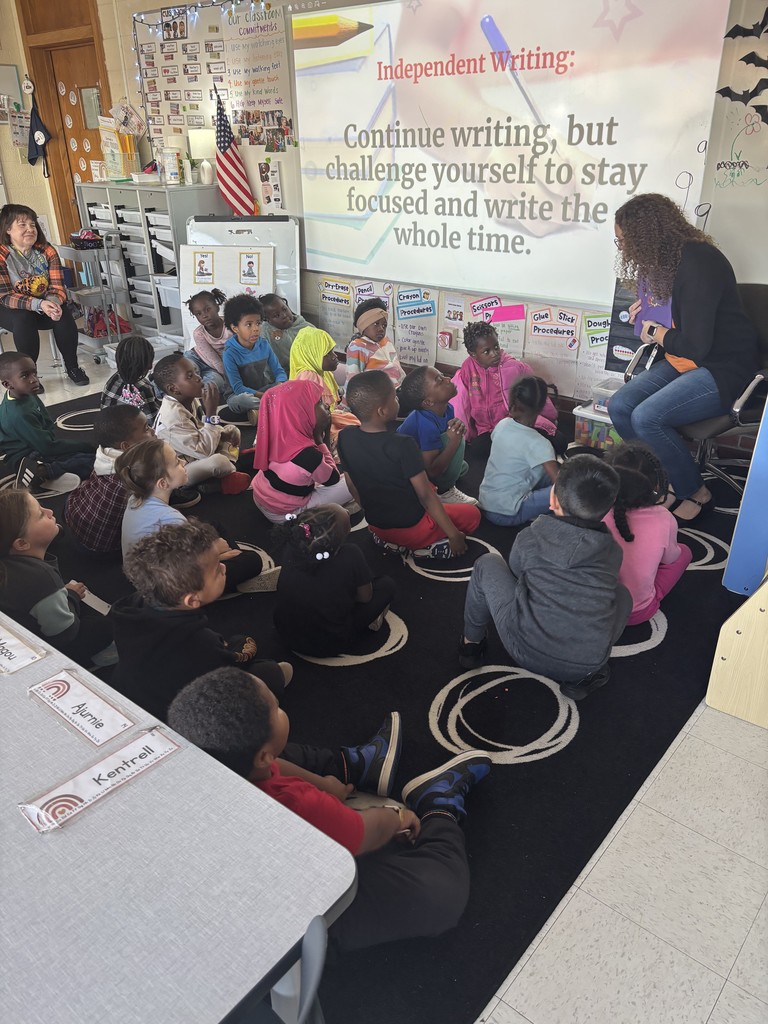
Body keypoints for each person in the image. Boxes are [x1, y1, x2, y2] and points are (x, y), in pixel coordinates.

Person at [167, 665, 492, 953]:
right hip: (306, 905)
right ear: (263, 758)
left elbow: (276, 763)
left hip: (242, 870)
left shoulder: (217, 769)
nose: (281, 710)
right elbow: (366, 832)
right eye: (277, 708)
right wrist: (399, 817)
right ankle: (438, 808)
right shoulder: (297, 805)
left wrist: (329, 784)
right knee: (440, 898)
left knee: (278, 753)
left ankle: (357, 766)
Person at [608, 193, 759, 522]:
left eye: (624, 242)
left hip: (723, 366)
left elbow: (695, 345)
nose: (624, 249)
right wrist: (647, 313)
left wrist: (655, 333)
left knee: (647, 417)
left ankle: (695, 491)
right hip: (684, 361)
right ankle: (664, 479)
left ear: (645, 235)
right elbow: (679, 318)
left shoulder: (700, 261)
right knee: (619, 406)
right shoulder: (666, 263)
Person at [459, 454, 632, 700]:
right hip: (588, 662)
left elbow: (517, 573)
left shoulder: (529, 537)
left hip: (523, 648)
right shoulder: (613, 551)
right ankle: (581, 681)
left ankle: (470, 647)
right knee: (622, 593)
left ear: (552, 499)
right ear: (609, 506)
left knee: (487, 563)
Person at [110, 521, 291, 721]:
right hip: (171, 713)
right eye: (216, 570)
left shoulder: (132, 605)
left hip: (130, 689)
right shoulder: (198, 642)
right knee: (270, 673)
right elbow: (224, 674)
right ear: (192, 599)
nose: (223, 567)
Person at [338, 371, 481, 559]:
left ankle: (389, 540)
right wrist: (454, 535)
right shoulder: (403, 444)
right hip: (413, 527)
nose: (398, 399)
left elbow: (351, 485)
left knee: (427, 486)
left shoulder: (344, 437)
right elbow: (426, 497)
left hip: (376, 524)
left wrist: (373, 512)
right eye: (393, 397)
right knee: (473, 516)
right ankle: (424, 547)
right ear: (382, 411)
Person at [0, 490, 116, 666]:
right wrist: (72, 597)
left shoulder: (11, 566)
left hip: (21, 630)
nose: (50, 512)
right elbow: (64, 633)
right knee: (106, 624)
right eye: (40, 515)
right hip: (47, 649)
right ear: (22, 544)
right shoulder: (42, 579)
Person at [271, 504, 396, 656]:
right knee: (386, 585)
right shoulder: (350, 553)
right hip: (330, 642)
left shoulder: (291, 546)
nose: (348, 511)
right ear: (345, 532)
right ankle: (370, 621)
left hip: (285, 633)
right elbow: (365, 597)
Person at [604, 442, 693, 625]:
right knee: (684, 552)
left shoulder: (595, 509)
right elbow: (670, 559)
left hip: (592, 608)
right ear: (656, 484)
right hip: (637, 613)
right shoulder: (664, 518)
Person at [0, 203, 89, 385]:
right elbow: (5, 296)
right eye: (22, 225)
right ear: (8, 229)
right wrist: (39, 304)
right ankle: (29, 375)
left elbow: (57, 287)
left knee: (62, 313)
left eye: (32, 225)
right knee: (24, 318)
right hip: (9, 309)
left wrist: (53, 303)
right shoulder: (2, 255)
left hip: (43, 306)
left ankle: (72, 367)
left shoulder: (47, 251)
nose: (30, 229)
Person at [251, 379, 355, 523]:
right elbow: (333, 478)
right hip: (285, 514)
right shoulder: (309, 456)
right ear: (301, 411)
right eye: (318, 402)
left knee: (308, 474)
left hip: (261, 498)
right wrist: (319, 439)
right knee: (353, 481)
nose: (325, 405)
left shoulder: (274, 434)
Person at [64, 405, 158, 557]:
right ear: (126, 446)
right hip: (101, 548)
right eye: (146, 429)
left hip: (75, 515)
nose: (153, 430)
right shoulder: (134, 475)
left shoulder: (106, 453)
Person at [451, 321, 561, 448]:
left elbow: (537, 394)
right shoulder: (467, 368)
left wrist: (551, 418)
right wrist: (466, 434)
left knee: (559, 442)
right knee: (477, 448)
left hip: (516, 424)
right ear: (473, 354)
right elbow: (462, 403)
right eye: (487, 351)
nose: (494, 353)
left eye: (496, 347)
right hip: (487, 430)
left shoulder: (514, 367)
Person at [152, 352, 250, 492]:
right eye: (190, 376)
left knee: (231, 430)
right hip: (177, 472)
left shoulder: (189, 399)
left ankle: (226, 471)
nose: (198, 378)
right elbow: (204, 451)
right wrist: (211, 412)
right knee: (218, 462)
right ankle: (223, 476)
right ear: (173, 388)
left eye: (195, 372)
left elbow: (202, 430)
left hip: (195, 454)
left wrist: (222, 433)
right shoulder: (172, 418)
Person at [0, 351, 95, 487]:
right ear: (8, 385)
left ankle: (52, 472)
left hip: (39, 445)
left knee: (81, 452)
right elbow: (47, 447)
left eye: (35, 373)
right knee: (92, 460)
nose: (34, 379)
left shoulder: (25, 392)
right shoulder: (18, 414)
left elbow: (45, 421)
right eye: (25, 376)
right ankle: (43, 472)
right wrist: (87, 446)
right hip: (27, 458)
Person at [478, 376, 560, 527]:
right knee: (568, 489)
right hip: (508, 513)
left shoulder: (502, 425)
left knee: (545, 470)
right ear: (542, 407)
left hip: (485, 503)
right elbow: (562, 487)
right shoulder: (541, 444)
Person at [396, 365, 477, 505]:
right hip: (409, 474)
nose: (448, 379)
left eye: (442, 375)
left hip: (426, 459)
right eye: (439, 380)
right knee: (457, 435)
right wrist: (453, 441)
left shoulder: (447, 408)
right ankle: (444, 492)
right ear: (428, 402)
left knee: (463, 466)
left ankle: (447, 477)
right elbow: (432, 470)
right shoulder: (425, 424)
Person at [289, 325, 359, 446]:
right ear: (312, 355)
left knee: (353, 421)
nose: (335, 356)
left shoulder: (324, 373)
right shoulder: (309, 378)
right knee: (350, 435)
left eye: (333, 350)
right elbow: (316, 420)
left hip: (328, 417)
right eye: (328, 353)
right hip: (317, 427)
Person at [222, 293, 287, 422]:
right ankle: (272, 409)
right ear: (235, 328)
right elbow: (238, 388)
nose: (256, 329)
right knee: (245, 400)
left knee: (290, 386)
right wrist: (265, 396)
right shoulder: (229, 353)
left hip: (264, 390)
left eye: (258, 323)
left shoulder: (264, 344)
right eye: (249, 324)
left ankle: (261, 412)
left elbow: (279, 371)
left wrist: (280, 385)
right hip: (239, 396)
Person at [346, 298, 406, 386]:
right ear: (363, 326)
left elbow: (397, 367)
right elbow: (352, 379)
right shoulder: (357, 346)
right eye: (376, 324)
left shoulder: (386, 341)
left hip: (396, 391)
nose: (381, 329)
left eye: (384, 325)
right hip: (375, 396)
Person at [184, 288, 232, 397]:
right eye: (198, 314)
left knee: (216, 384)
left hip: (216, 369)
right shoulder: (199, 333)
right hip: (196, 358)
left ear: (217, 307)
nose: (204, 316)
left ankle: (195, 395)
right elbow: (215, 360)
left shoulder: (230, 326)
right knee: (185, 373)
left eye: (207, 309)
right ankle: (159, 388)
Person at [100, 335, 162, 420]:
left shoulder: (113, 379)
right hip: (131, 431)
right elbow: (154, 422)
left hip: (108, 428)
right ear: (148, 364)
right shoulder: (143, 388)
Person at [259, 292, 311, 371]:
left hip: (307, 372)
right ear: (268, 320)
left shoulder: (306, 327)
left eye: (284, 309)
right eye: (276, 315)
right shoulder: (265, 334)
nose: (284, 315)